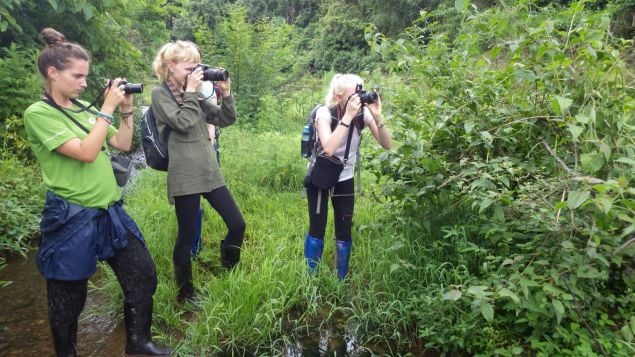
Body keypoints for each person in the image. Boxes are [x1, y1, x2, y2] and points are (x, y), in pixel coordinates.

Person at [23, 28, 171, 356]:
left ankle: (139, 344)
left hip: (109, 211)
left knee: (142, 274)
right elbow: (87, 152)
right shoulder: (39, 114)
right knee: (68, 297)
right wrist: (106, 106)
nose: (84, 83)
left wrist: (126, 109)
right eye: (77, 76)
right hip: (71, 216)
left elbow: (121, 143)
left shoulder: (86, 110)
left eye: (86, 76)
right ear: (52, 73)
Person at [150, 41, 246, 304]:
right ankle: (186, 293)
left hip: (209, 170)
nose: (195, 72)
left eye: (197, 67)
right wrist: (192, 91)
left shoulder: (191, 93)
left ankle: (230, 269)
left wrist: (226, 94)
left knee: (237, 224)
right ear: (170, 66)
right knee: (187, 235)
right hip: (185, 175)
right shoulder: (160, 96)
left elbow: (225, 119)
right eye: (189, 67)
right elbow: (183, 122)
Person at [304, 73, 392, 280]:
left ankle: (341, 278)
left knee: (344, 231)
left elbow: (387, 145)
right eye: (355, 94)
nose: (359, 99)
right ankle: (310, 278)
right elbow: (329, 148)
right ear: (339, 95)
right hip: (320, 176)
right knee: (317, 228)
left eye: (361, 93)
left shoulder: (363, 115)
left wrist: (378, 116)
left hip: (345, 178)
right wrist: (347, 117)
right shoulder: (324, 113)